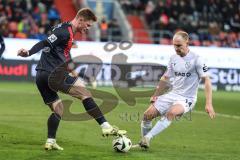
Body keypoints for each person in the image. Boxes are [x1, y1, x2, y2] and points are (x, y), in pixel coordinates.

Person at [17, 8, 126, 151]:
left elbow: (63, 55)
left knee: (59, 109)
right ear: (80, 20)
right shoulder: (64, 32)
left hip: (41, 76)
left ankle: (50, 141)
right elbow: (44, 43)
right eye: (87, 25)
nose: (88, 28)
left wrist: (73, 72)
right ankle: (105, 126)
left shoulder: (64, 30)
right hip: (53, 73)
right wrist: (29, 52)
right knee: (84, 93)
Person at [139, 31, 216, 149]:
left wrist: (209, 103)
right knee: (147, 115)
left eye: (179, 45)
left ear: (187, 42)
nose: (176, 48)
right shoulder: (173, 58)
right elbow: (165, 77)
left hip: (187, 98)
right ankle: (144, 143)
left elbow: (207, 81)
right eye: (174, 45)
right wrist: (156, 95)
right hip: (173, 94)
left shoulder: (197, 59)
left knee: (171, 113)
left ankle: (148, 138)